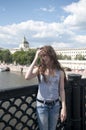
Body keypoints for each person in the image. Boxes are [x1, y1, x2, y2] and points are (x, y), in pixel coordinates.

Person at [25, 45, 67, 130]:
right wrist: (35, 58)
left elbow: (62, 90)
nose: (43, 58)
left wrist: (64, 108)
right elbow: (27, 77)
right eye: (42, 56)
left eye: (45, 55)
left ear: (51, 55)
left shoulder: (60, 72)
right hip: (42, 106)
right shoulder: (40, 69)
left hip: (55, 105)